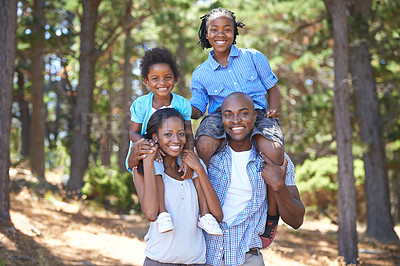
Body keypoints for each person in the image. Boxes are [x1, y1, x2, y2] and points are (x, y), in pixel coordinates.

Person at [190, 7, 283, 248]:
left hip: (257, 113)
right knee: (204, 145)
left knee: (274, 152)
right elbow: (198, 109)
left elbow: (272, 87)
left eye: (227, 29)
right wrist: (170, 105)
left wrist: (273, 109)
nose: (221, 34)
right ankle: (208, 207)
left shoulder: (254, 57)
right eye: (214, 29)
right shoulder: (201, 73)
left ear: (234, 33)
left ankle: (271, 217)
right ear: (206, 35)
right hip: (222, 116)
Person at [126, 48, 221, 235]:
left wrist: (190, 156)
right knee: (155, 164)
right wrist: (151, 147)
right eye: (155, 78)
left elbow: (187, 133)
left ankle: (205, 215)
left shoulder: (182, 104)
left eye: (167, 77)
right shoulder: (141, 105)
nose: (162, 83)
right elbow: (133, 133)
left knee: (197, 164)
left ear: (175, 79)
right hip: (146, 152)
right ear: (146, 81)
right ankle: (162, 213)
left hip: (176, 150)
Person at [205, 92, 305, 265]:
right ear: (221, 118)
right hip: (206, 256)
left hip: (248, 257)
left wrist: (278, 185)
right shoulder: (210, 157)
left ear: (255, 116)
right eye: (228, 115)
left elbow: (296, 221)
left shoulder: (277, 160)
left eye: (243, 113)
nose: (235, 120)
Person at [133, 108, 223, 265]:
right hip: (158, 261)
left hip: (196, 262)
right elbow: (151, 213)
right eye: (168, 134)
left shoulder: (193, 166)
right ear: (155, 137)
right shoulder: (142, 170)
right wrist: (148, 160)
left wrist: (200, 169)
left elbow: (217, 215)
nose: (176, 140)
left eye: (181, 134)